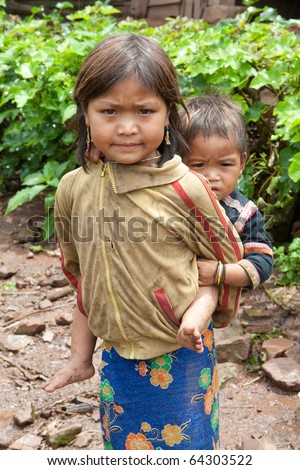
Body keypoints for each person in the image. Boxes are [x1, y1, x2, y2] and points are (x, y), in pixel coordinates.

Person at [42, 34, 243, 450]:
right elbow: (80, 272)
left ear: (169, 114)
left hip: (180, 352)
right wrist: (82, 355)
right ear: (86, 114)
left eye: (145, 110)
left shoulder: (186, 189)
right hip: (116, 356)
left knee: (185, 446)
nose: (128, 126)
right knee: (125, 445)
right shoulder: (72, 189)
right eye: (109, 111)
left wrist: (202, 313)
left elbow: (222, 260)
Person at [179, 94, 273, 290]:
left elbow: (262, 262)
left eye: (225, 164)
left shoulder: (243, 213)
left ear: (242, 163)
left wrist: (220, 273)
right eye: (198, 164)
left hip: (213, 304)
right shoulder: (170, 198)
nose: (212, 176)